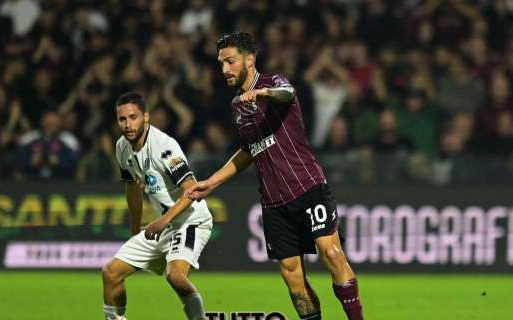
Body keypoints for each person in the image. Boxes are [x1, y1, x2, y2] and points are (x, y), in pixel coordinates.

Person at [186, 32, 364, 320]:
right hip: (273, 203)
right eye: (221, 64)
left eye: (230, 62)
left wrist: (264, 93)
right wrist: (212, 182)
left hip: (307, 187)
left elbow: (288, 94)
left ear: (250, 59)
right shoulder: (237, 106)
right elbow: (248, 150)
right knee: (292, 277)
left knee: (331, 253)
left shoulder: (274, 84)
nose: (224, 70)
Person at [102, 92, 212, 320]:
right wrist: (135, 230)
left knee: (176, 277)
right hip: (162, 225)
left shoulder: (165, 147)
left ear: (146, 117)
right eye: (122, 119)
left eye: (133, 117)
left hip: (190, 221)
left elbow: (192, 190)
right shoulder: (122, 147)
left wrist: (163, 221)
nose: (128, 124)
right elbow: (131, 187)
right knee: (111, 273)